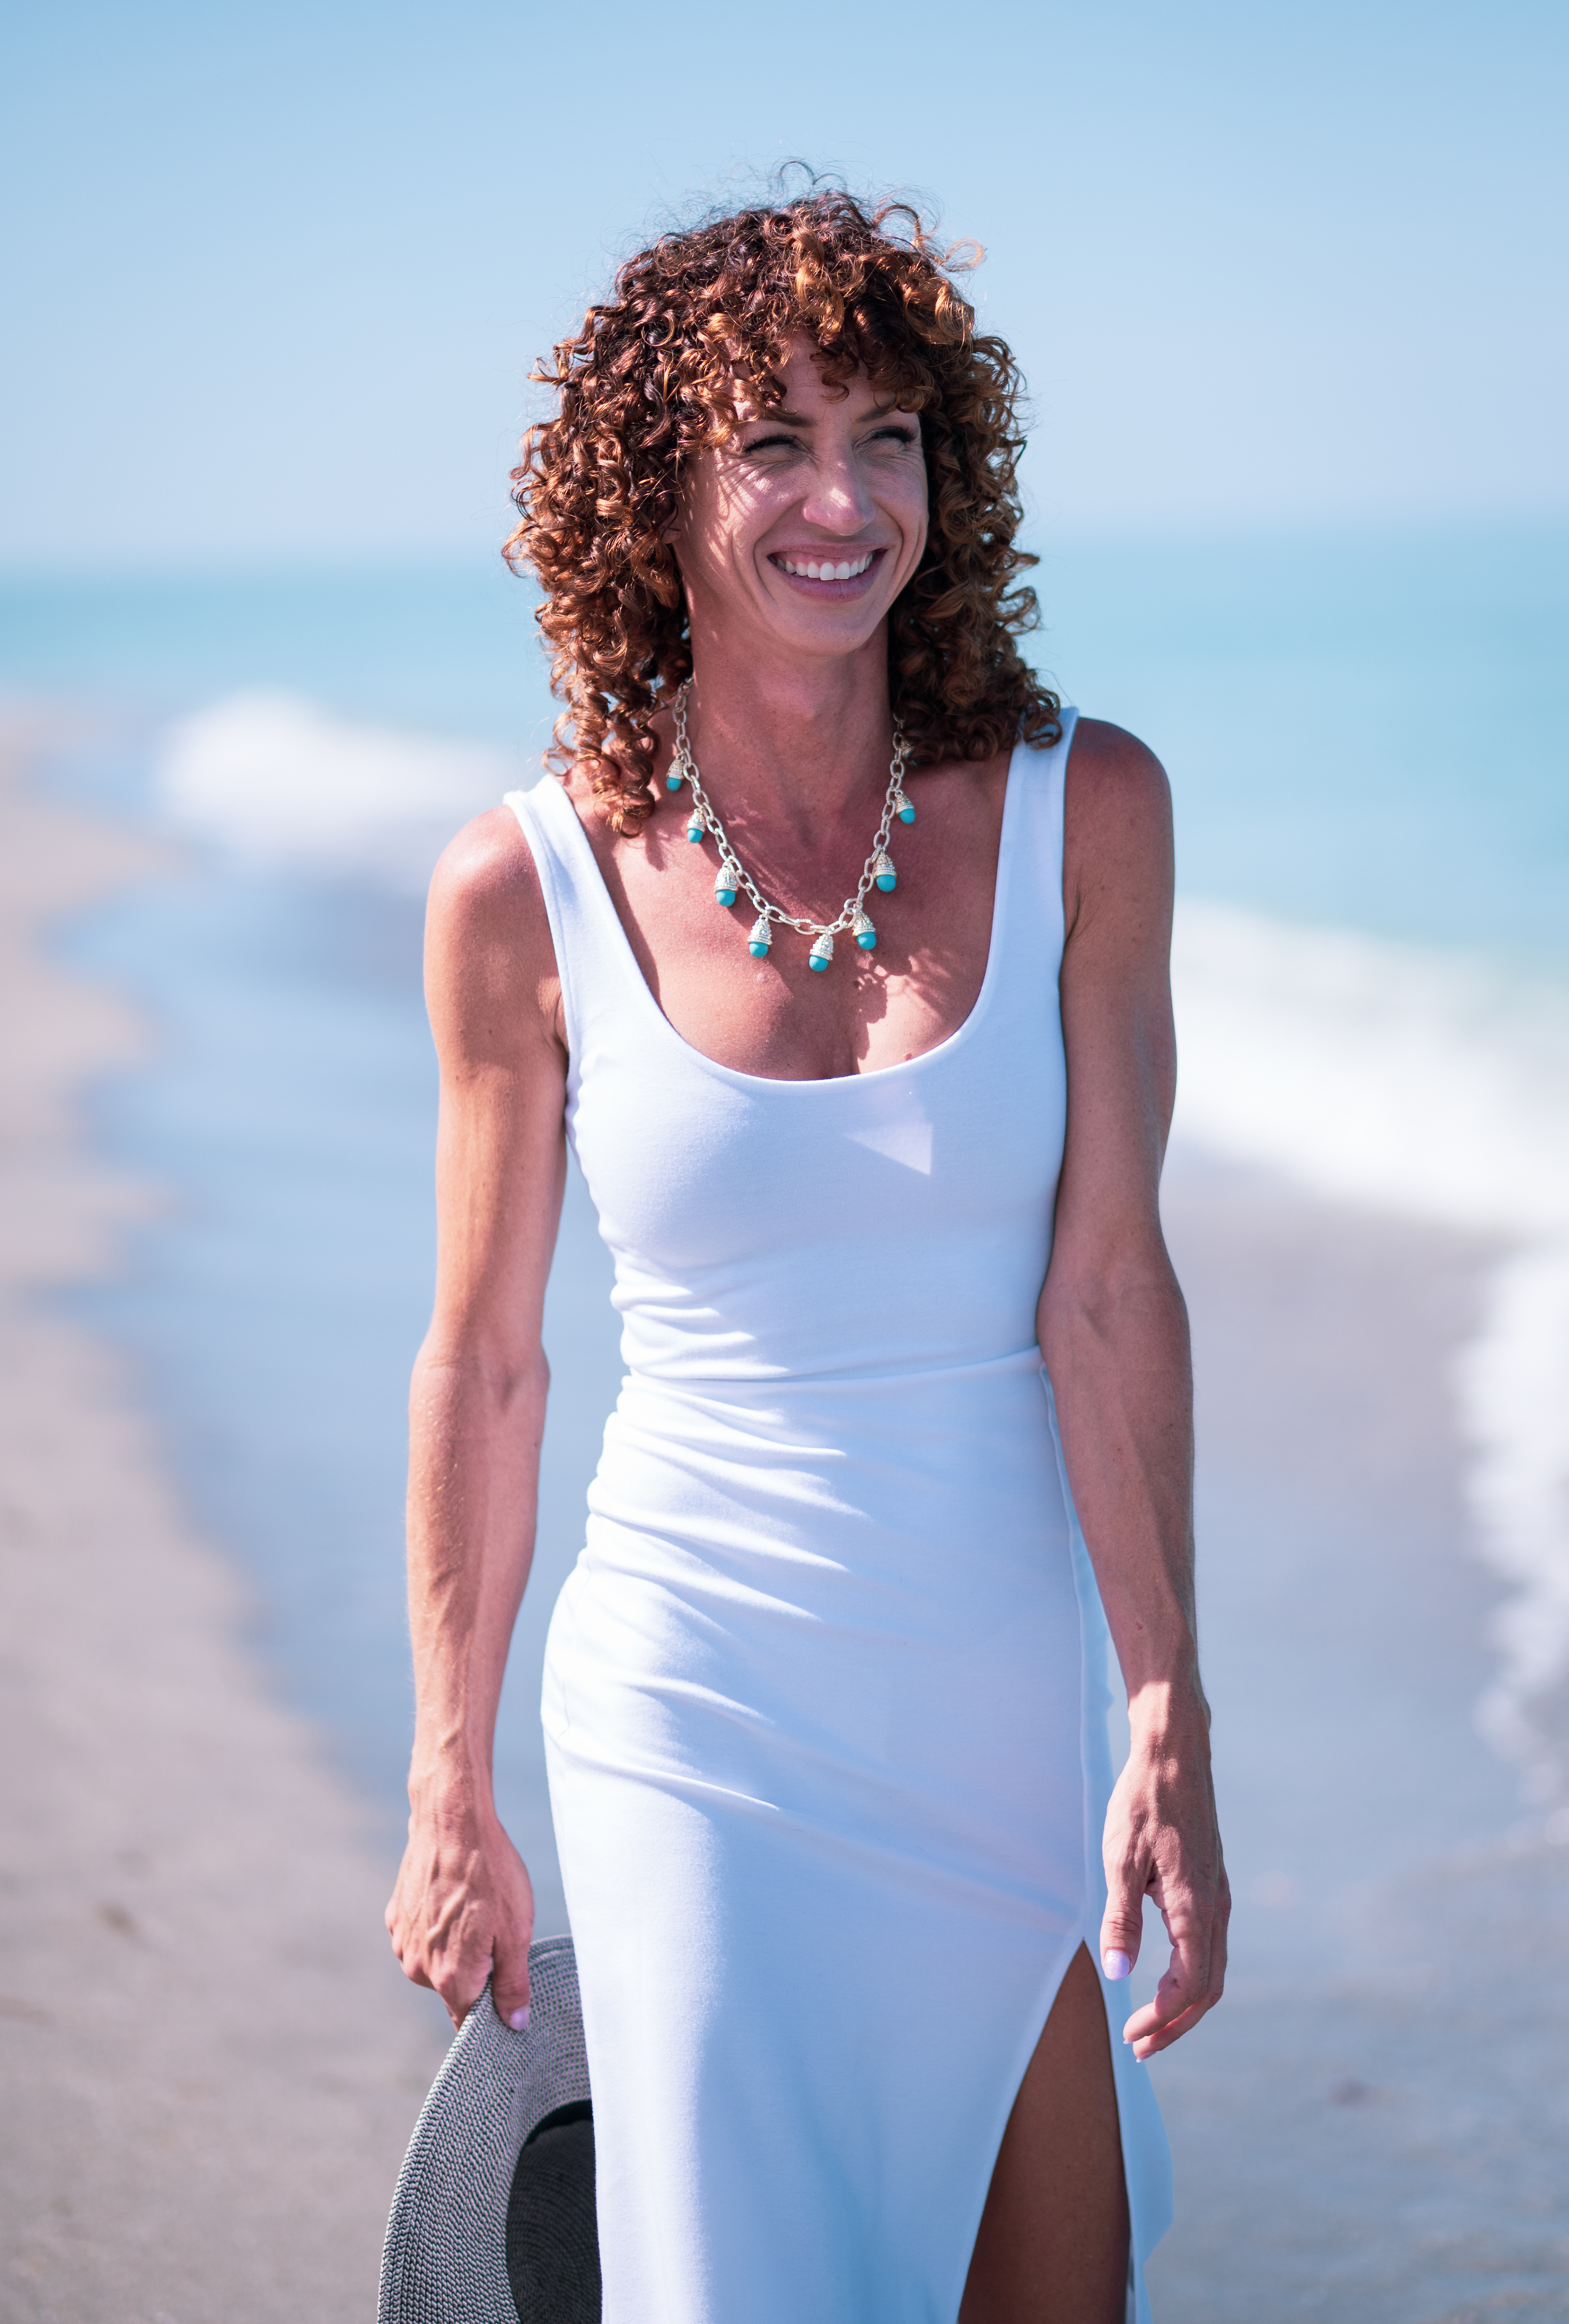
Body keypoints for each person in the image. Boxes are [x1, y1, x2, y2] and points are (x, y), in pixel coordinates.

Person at [385, 188, 1228, 2324]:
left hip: (996, 1701)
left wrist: (1165, 1703)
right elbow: (487, 1362)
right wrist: (448, 1781)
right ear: (653, 486)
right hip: (694, 1705)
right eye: (776, 441)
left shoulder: (1083, 810)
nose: (847, 500)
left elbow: (1108, 1290)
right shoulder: (526, 889)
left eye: (893, 437)